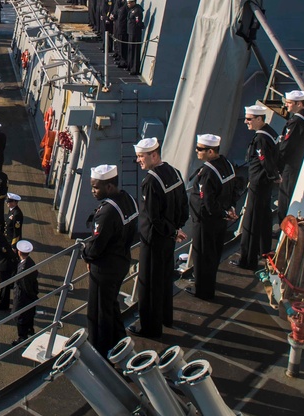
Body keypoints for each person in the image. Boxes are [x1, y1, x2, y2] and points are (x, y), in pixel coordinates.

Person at [132, 138, 187, 339]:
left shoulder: (150, 181)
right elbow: (183, 205)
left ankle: (150, 328)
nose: (138, 160)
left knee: (148, 284)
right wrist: (176, 229)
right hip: (168, 239)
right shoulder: (174, 172)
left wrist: (171, 231)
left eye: (141, 156)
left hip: (153, 241)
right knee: (165, 279)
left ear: (153, 155)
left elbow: (153, 217)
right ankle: (166, 318)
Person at [81, 164, 138, 355]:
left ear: (109, 187)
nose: (92, 191)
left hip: (104, 268)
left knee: (98, 313)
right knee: (111, 305)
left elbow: (96, 246)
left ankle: (100, 351)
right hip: (121, 260)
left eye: (96, 187)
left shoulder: (107, 212)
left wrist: (85, 253)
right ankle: (120, 341)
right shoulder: (128, 199)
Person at [189, 134, 238, 300]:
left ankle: (202, 291)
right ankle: (209, 284)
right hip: (220, 220)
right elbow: (234, 191)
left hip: (206, 221)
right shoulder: (227, 165)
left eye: (200, 149)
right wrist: (229, 210)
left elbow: (207, 202)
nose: (197, 151)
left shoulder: (208, 172)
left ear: (210, 151)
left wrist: (223, 212)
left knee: (202, 256)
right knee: (214, 253)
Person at [235, 104, 281, 270]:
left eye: (249, 119)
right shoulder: (271, 133)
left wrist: (273, 175)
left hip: (258, 183)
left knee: (251, 221)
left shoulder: (261, 138)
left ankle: (247, 260)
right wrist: (275, 176)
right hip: (265, 183)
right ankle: (264, 250)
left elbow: (265, 160)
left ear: (259, 119)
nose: (246, 122)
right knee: (264, 217)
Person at [277, 89, 304, 224]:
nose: (286, 105)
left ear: (299, 104)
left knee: (286, 197)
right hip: (303, 161)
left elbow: (286, 145)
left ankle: (284, 223)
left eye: (289, 103)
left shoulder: (296, 122)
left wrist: (277, 165)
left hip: (292, 164)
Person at [11, 240, 38, 345]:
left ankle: (22, 337)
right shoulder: (30, 262)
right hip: (30, 295)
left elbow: (24, 285)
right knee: (29, 314)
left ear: (19, 252)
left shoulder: (23, 269)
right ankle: (30, 330)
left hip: (22, 296)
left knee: (19, 316)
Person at [124, 0, 144, 75]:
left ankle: (134, 69)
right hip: (130, 32)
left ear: (133, 2)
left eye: (129, 3)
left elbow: (138, 22)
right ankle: (130, 65)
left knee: (135, 51)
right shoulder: (132, 10)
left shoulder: (137, 11)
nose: (128, 4)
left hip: (135, 33)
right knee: (130, 49)